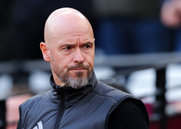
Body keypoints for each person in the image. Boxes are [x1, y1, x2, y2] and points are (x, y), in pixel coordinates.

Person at [17, 7, 149, 129]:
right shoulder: (29, 111)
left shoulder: (120, 109)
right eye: (68, 48)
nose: (79, 58)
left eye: (86, 46)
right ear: (46, 52)